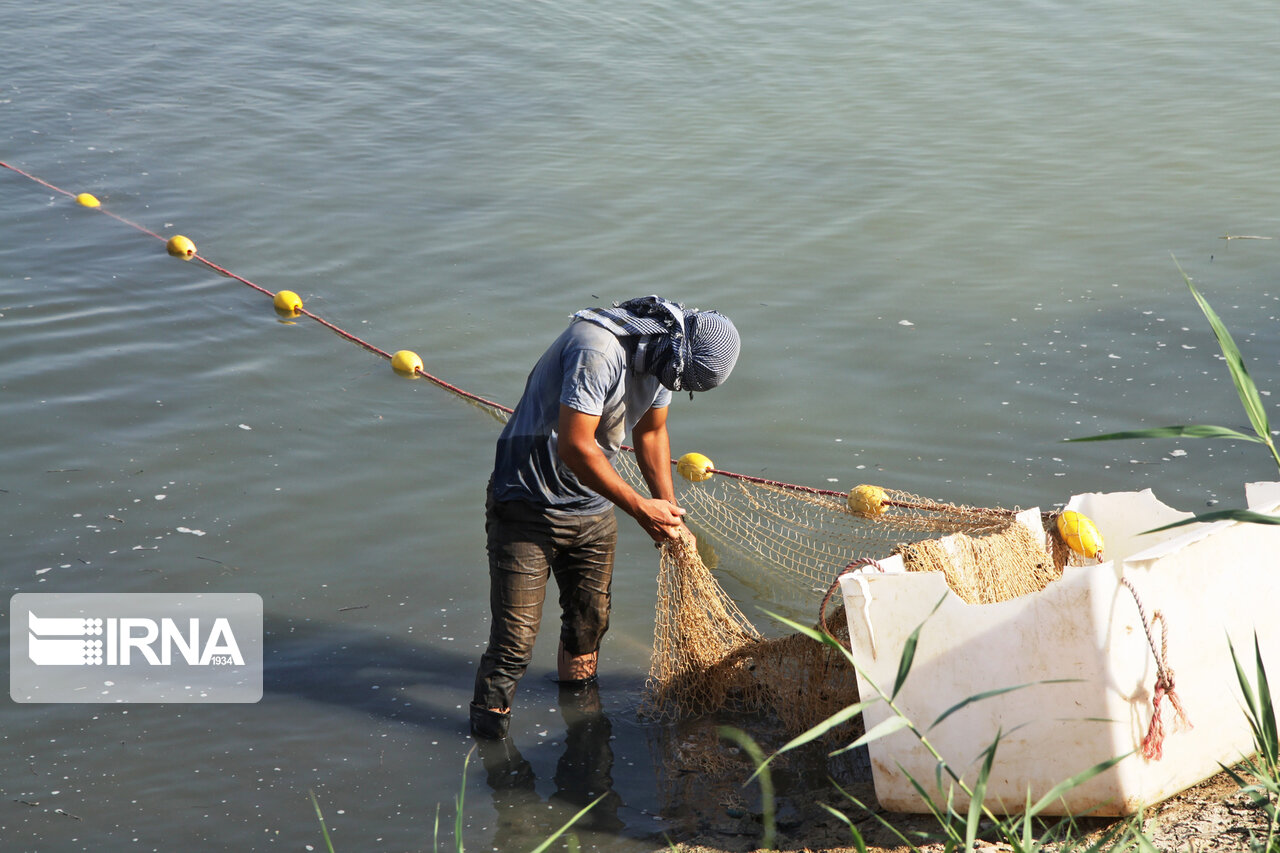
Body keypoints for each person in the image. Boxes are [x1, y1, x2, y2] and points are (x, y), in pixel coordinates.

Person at [470, 295, 740, 739]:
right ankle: (489, 749)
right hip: (526, 503)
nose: (672, 383)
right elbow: (575, 447)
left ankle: (579, 726)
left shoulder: (665, 354)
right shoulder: (596, 349)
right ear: (674, 349)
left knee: (589, 624)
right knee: (514, 645)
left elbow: (651, 432)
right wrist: (639, 509)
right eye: (678, 379)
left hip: (591, 503)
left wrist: (669, 515)